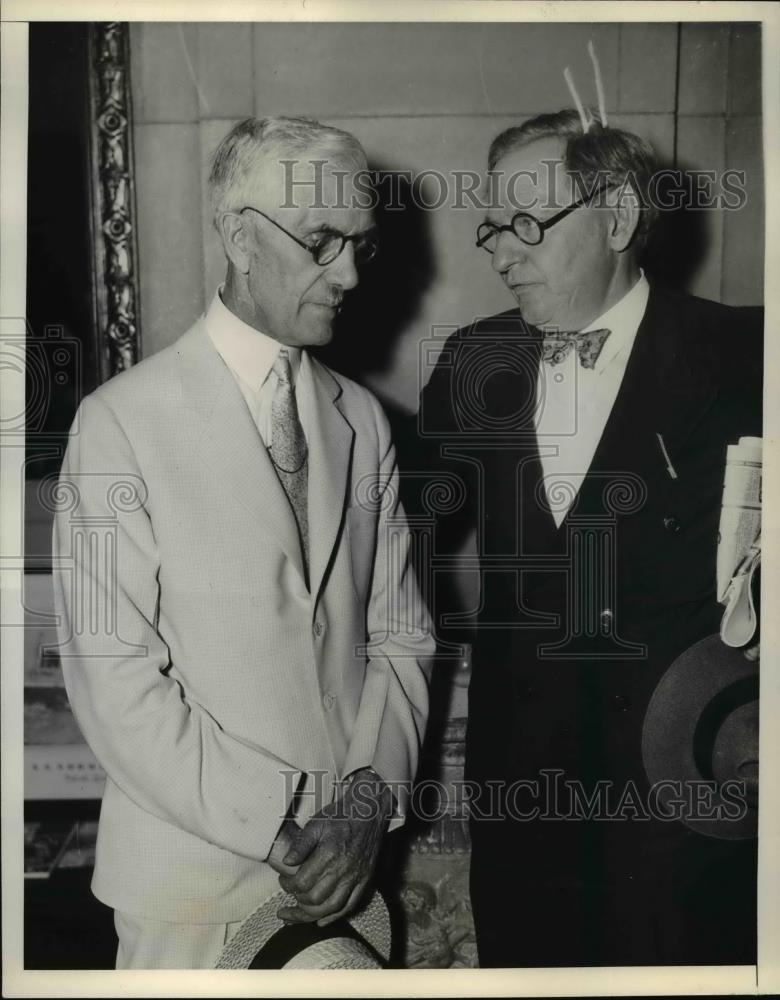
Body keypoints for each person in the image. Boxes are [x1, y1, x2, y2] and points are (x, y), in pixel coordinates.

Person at [52, 116, 433, 969]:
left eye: (359, 246)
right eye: (322, 240)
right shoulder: (121, 425)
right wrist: (287, 820)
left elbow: (401, 636)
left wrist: (368, 801)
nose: (347, 274)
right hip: (191, 893)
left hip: (346, 881)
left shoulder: (362, 421)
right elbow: (115, 688)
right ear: (237, 233)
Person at [418, 109, 762, 966]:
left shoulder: (747, 355)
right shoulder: (472, 363)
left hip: (691, 802)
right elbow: (390, 539)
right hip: (525, 804)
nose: (501, 250)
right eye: (493, 225)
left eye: (528, 223)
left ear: (615, 219)